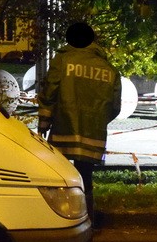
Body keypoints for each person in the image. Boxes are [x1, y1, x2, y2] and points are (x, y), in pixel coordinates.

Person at [37, 22, 122, 225]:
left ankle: (65, 220)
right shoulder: (109, 69)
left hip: (63, 130)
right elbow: (115, 106)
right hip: (93, 134)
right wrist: (97, 120)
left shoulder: (63, 60)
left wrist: (44, 123)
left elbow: (50, 93)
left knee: (61, 178)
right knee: (86, 177)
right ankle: (88, 221)